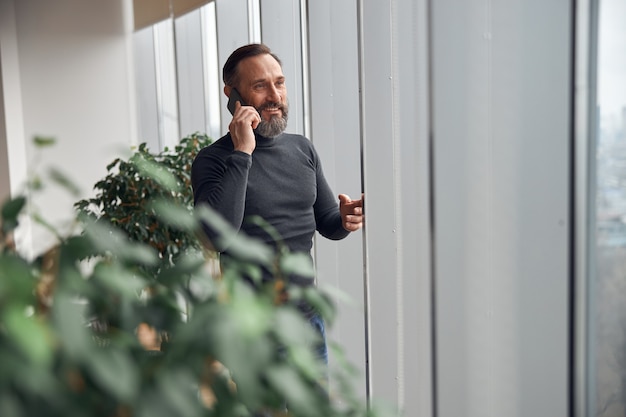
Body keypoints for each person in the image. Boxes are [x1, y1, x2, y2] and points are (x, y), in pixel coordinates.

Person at [191, 43, 363, 362]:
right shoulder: (213, 161)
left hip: (306, 322)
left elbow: (326, 222)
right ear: (232, 95)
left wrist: (344, 218)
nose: (275, 95)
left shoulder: (302, 149)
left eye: (279, 82)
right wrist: (243, 152)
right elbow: (215, 237)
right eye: (260, 86)